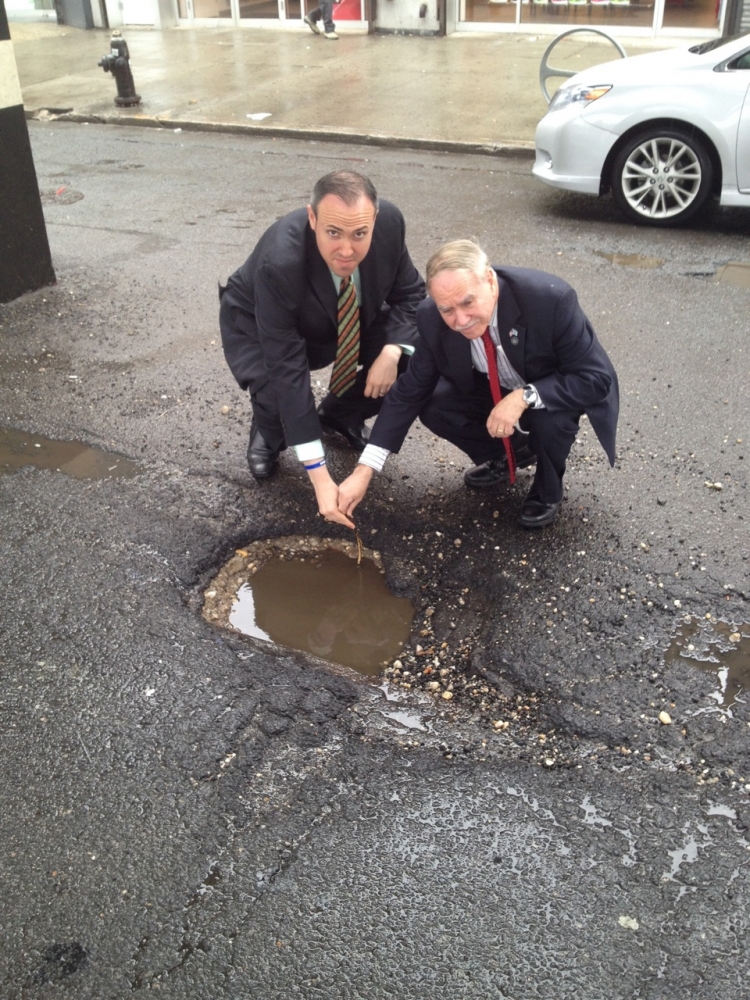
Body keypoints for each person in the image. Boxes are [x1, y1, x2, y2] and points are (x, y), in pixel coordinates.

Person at [338, 239, 619, 530]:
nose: (460, 320)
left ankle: (548, 489)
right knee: (435, 403)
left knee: (549, 422)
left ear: (490, 281)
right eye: (447, 309)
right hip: (494, 381)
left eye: (468, 302)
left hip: (552, 386)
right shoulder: (430, 316)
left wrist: (524, 397)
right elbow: (409, 391)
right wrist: (364, 470)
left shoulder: (550, 299)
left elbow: (594, 378)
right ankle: (508, 452)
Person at [219, 170, 425, 527]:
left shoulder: (390, 223)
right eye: (333, 233)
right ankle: (268, 432)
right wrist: (320, 476)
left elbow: (411, 295)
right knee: (274, 391)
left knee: (414, 349)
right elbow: (287, 367)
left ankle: (341, 413)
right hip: (261, 318)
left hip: (343, 314)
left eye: (360, 233)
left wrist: (392, 351)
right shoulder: (279, 262)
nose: (347, 249)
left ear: (374, 219)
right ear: (312, 218)